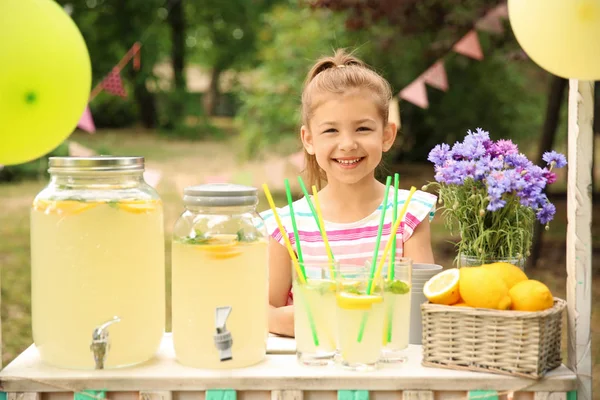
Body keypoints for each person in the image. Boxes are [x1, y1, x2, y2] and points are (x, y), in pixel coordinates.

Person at [261, 49, 437, 337]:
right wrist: (304, 319)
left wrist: (342, 315)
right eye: (330, 130)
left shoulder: (409, 215)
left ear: (387, 136)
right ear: (308, 139)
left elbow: (422, 309)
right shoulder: (286, 225)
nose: (347, 144)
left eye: (363, 128)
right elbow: (263, 311)